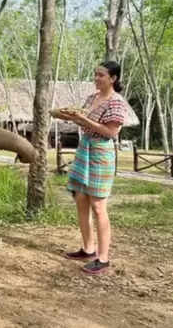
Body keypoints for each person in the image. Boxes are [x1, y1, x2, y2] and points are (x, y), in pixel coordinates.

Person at [58, 61, 128, 274]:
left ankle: (103, 258)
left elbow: (110, 132)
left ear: (113, 79)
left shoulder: (116, 103)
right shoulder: (92, 98)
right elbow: (84, 122)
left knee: (98, 205)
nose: (96, 79)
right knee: (80, 198)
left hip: (100, 153)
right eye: (95, 75)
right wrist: (71, 117)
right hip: (85, 148)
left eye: (101, 75)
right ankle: (88, 249)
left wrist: (82, 119)